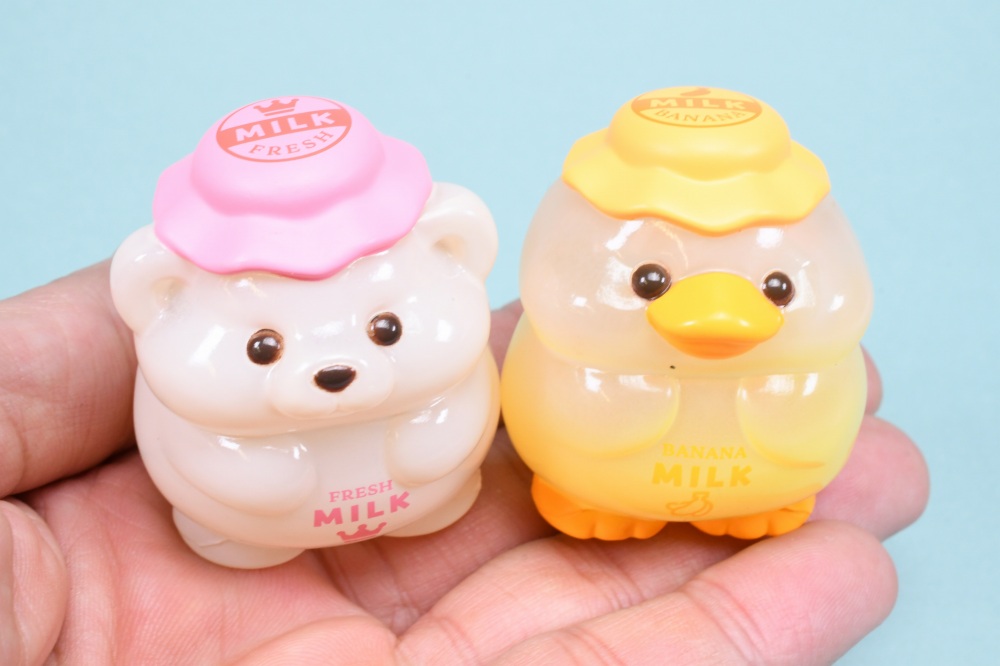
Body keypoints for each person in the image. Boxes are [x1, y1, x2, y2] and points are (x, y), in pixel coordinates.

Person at [0, 262, 928, 665]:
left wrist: (434, 457)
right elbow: (207, 462)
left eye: (384, 331)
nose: (335, 370)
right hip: (237, 529)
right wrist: (244, 492)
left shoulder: (457, 379)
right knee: (236, 506)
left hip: (436, 497)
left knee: (449, 477)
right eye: (264, 349)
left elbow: (458, 422)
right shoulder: (190, 386)